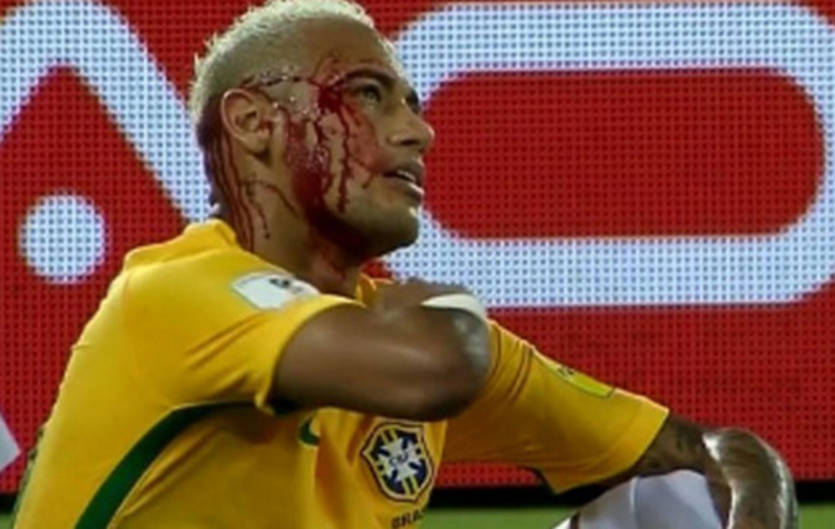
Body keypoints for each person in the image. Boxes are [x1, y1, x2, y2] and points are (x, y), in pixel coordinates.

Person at [11, 1, 797, 528]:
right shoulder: (176, 293)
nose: (418, 132)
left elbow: (714, 455)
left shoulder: (402, 327)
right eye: (367, 95)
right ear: (253, 122)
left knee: (678, 501)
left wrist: (755, 511)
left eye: (413, 103)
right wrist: (450, 317)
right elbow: (434, 369)